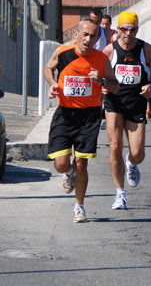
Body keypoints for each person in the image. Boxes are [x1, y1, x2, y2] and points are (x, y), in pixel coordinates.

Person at [44, 19, 119, 222]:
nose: (88, 39)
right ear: (76, 34)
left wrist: (101, 81)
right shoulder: (62, 53)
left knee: (81, 163)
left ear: (97, 39)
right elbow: (48, 68)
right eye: (85, 34)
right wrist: (52, 85)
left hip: (89, 116)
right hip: (65, 114)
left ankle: (79, 206)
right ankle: (67, 172)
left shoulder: (101, 59)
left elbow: (115, 85)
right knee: (60, 163)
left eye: (93, 36)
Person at [102, 12, 151, 210]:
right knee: (115, 146)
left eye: (132, 29)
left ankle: (131, 162)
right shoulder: (110, 50)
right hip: (114, 102)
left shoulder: (145, 49)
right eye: (124, 29)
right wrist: (102, 85)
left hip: (136, 103)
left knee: (138, 153)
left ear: (137, 30)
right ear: (118, 29)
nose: (128, 33)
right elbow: (101, 75)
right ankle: (120, 193)